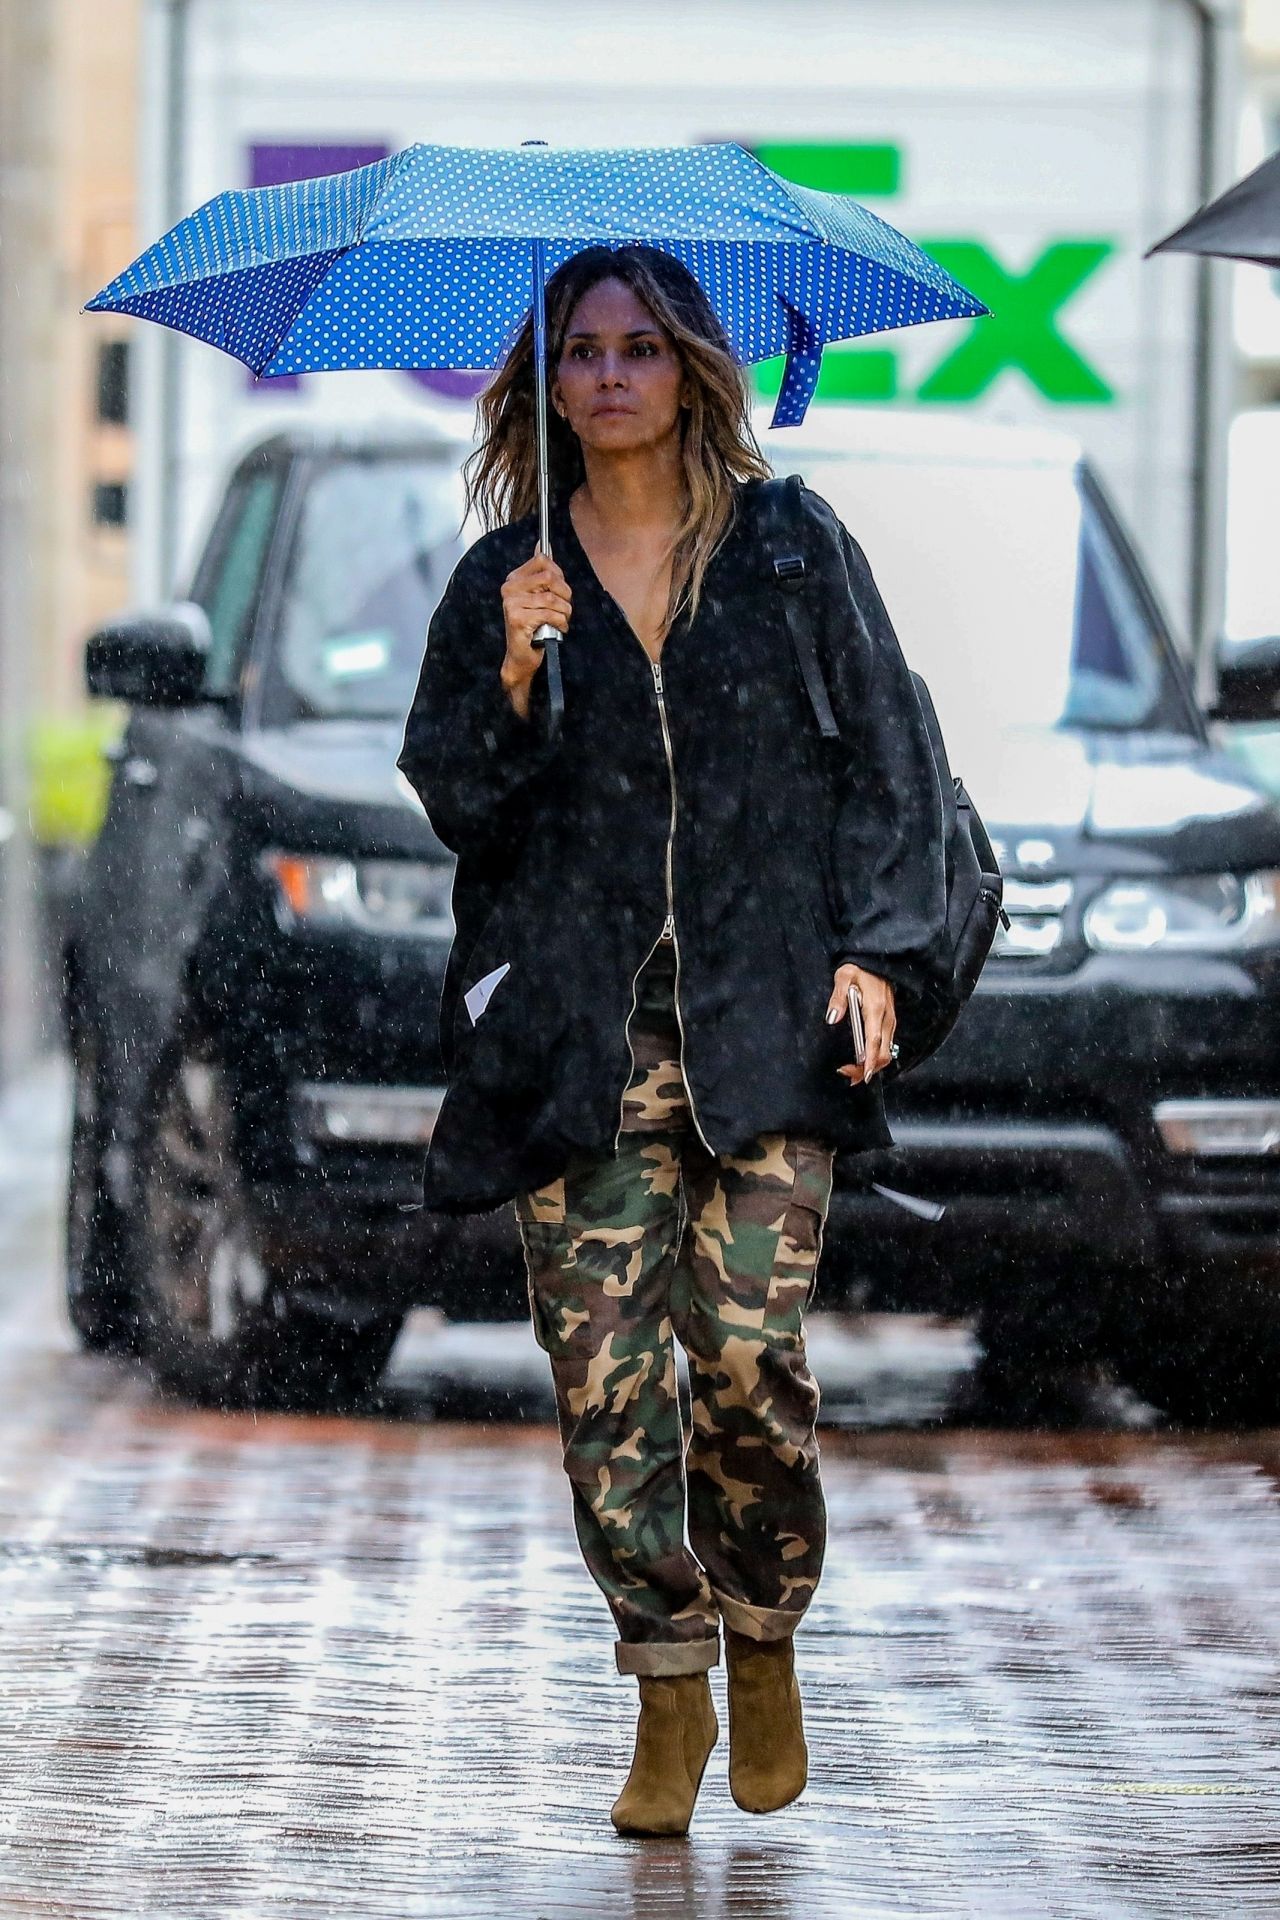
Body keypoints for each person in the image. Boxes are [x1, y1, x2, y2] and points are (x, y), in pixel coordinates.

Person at [396, 243, 950, 1836]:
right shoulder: (508, 574)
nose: (613, 375)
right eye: (583, 350)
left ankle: (764, 1632)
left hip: (765, 1026)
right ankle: (666, 1680)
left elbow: (893, 761)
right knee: (605, 1387)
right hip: (578, 1039)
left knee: (748, 1366)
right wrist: (513, 664)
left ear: (693, 367)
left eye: (643, 345)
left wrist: (887, 958)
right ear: (547, 380)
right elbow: (459, 804)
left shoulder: (787, 550)